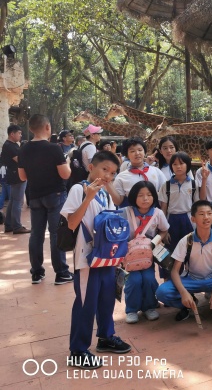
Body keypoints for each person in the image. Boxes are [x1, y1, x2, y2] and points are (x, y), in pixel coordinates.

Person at [61, 151, 131, 369]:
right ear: (91, 167)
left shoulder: (106, 194)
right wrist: (88, 198)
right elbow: (71, 223)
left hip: (107, 258)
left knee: (106, 299)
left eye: (113, 173)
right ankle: (78, 350)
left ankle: (106, 337)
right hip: (86, 259)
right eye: (104, 170)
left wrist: (119, 254)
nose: (108, 176)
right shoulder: (79, 189)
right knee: (86, 303)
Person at [155, 200, 212, 321]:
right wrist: (183, 292)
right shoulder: (186, 240)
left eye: (209, 213)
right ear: (193, 219)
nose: (206, 217)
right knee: (162, 292)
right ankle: (187, 306)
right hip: (190, 279)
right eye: (201, 214)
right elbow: (175, 271)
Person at [18, 115, 72, 284]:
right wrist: (67, 162)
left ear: (31, 129)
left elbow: (22, 176)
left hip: (35, 195)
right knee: (56, 233)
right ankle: (61, 272)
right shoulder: (54, 149)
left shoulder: (23, 149)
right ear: (47, 127)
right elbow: (65, 174)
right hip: (55, 195)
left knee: (36, 234)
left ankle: (36, 272)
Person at [123, 181, 169, 323]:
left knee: (149, 279)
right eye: (140, 195)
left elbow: (164, 230)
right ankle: (131, 310)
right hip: (129, 257)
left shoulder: (158, 213)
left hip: (148, 256)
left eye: (149, 195)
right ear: (133, 197)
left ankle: (149, 307)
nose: (145, 199)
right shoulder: (125, 212)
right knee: (134, 280)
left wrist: (155, 241)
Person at [158, 152, 199, 279]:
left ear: (188, 165)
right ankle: (169, 282)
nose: (178, 166)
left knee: (190, 253)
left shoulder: (193, 184)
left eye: (181, 163)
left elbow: (196, 206)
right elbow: (163, 209)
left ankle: (190, 284)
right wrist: (164, 230)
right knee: (171, 252)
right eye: (175, 164)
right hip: (172, 221)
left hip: (188, 220)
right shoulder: (166, 185)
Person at [108, 137, 165, 208]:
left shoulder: (156, 171)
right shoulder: (121, 177)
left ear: (144, 152)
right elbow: (118, 201)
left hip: (154, 211)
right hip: (131, 213)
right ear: (127, 155)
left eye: (140, 150)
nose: (137, 153)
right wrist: (107, 184)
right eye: (132, 151)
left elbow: (165, 193)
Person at [2, 124, 29, 234]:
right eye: (19, 133)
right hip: (17, 176)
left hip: (15, 175)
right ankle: (17, 226)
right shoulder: (10, 146)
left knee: (13, 201)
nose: (20, 135)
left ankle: (9, 224)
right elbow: (20, 160)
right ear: (12, 134)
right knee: (18, 202)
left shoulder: (11, 145)